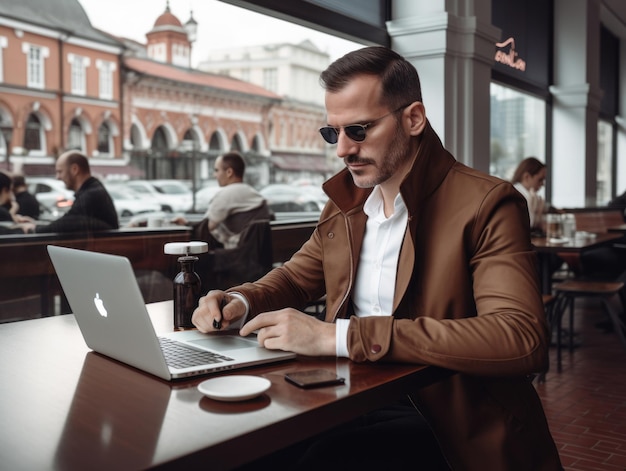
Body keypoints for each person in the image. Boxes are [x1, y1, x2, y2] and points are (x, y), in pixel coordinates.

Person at [192, 47, 562, 470]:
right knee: (247, 451)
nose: (342, 150)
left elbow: (520, 338)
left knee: (322, 460)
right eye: (333, 133)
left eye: (359, 130)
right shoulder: (346, 207)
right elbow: (296, 279)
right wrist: (239, 301)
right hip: (351, 394)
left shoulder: (488, 203)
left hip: (449, 416)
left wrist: (338, 338)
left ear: (413, 119)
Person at [174, 151, 271, 249]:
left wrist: (186, 224)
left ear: (229, 172)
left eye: (216, 170)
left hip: (235, 257)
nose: (214, 175)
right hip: (257, 256)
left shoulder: (227, 193)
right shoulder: (254, 193)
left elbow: (205, 228)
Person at [21, 151, 118, 233]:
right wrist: (38, 224)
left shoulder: (91, 194)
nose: (57, 177)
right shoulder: (93, 189)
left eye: (60, 172)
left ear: (74, 169)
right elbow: (71, 220)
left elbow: (68, 222)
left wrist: (35, 228)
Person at [511, 157, 547, 233]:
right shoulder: (517, 195)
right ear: (527, 177)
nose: (543, 184)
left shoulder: (528, 196)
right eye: (540, 180)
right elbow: (528, 225)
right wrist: (537, 214)